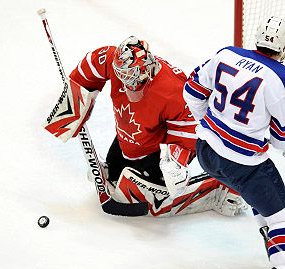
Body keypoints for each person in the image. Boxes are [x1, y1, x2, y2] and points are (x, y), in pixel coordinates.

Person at [66, 35, 247, 217]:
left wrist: (177, 162)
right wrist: (76, 102)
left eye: (133, 80)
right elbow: (91, 66)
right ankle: (115, 168)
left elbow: (190, 129)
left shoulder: (173, 88)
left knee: (155, 205)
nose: (128, 85)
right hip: (131, 137)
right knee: (114, 176)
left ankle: (218, 190)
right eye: (124, 79)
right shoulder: (116, 61)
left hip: (156, 145)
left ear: (148, 70)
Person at [184, 16, 285, 269]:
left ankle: (273, 239)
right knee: (282, 217)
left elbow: (191, 90)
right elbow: (280, 141)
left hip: (205, 152)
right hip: (244, 166)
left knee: (264, 202)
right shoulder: (279, 79)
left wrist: (210, 127)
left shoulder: (226, 54)